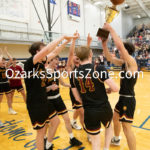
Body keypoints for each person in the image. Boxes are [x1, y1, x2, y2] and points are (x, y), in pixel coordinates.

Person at [24, 35, 74, 150]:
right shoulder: (30, 63)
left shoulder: (41, 63)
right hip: (35, 103)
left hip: (44, 100)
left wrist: (66, 41)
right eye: (43, 48)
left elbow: (55, 51)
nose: (46, 50)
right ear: (37, 52)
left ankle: (48, 144)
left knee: (55, 121)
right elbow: (48, 50)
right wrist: (62, 37)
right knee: (41, 133)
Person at [71, 45, 119, 150]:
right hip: (103, 107)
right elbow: (115, 88)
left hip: (89, 110)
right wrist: (105, 89)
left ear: (78, 56)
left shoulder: (73, 74)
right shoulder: (98, 68)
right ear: (90, 55)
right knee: (108, 127)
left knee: (95, 143)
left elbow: (78, 99)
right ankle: (106, 148)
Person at [101, 23, 138, 150]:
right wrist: (104, 44)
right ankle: (116, 139)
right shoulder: (123, 63)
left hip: (128, 99)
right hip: (122, 98)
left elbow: (120, 46)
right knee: (115, 119)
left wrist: (111, 29)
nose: (118, 52)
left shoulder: (131, 62)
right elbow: (108, 58)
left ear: (127, 51)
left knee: (127, 128)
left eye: (121, 51)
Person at [45, 55, 82, 148]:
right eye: (56, 60)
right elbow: (41, 89)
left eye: (58, 59)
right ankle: (45, 139)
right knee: (47, 123)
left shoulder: (57, 71)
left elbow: (64, 83)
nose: (58, 61)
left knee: (67, 119)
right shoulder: (44, 72)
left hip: (58, 98)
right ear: (50, 60)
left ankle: (72, 138)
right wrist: (49, 88)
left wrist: (75, 85)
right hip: (48, 101)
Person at [0, 47, 17, 115]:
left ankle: (10, 109)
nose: (4, 62)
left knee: (9, 97)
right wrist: (1, 53)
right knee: (0, 99)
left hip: (6, 83)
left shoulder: (6, 66)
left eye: (4, 61)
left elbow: (11, 59)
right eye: (2, 61)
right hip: (0, 84)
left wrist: (6, 52)